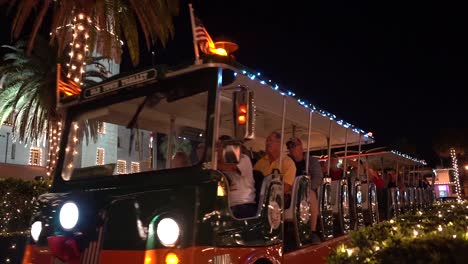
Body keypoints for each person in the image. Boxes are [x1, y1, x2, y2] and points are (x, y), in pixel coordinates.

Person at [286, 137, 323, 244]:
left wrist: (306, 188)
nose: (291, 149)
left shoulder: (311, 161)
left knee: (310, 194)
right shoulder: (287, 161)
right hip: (290, 191)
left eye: (294, 146)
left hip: (306, 191)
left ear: (301, 147)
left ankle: (313, 230)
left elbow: (318, 177)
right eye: (289, 147)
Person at [217, 135, 257, 218]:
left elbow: (232, 167)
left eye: (220, 147)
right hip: (226, 205)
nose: (217, 150)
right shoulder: (218, 165)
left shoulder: (243, 159)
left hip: (243, 204)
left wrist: (212, 164)